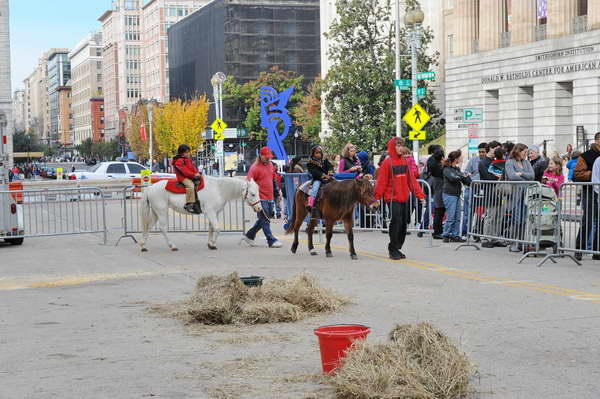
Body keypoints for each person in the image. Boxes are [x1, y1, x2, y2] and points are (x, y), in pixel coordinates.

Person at [374, 137, 425, 260]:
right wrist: (376, 198)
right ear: (392, 147)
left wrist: (420, 195)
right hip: (392, 199)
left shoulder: (405, 162)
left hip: (404, 198)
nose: (401, 148)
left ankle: (396, 247)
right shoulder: (387, 162)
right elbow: (381, 182)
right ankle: (392, 249)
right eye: (398, 145)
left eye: (402, 145)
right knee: (396, 222)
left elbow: (412, 181)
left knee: (403, 224)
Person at [241, 147, 283, 248]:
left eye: (270, 157)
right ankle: (271, 240)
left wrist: (277, 193)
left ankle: (249, 235)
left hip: (270, 197)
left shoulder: (271, 166)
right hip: (260, 198)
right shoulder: (254, 168)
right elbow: (249, 182)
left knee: (264, 219)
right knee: (265, 219)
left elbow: (273, 181)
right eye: (266, 157)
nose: (269, 159)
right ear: (261, 156)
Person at [573, 133, 600, 260]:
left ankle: (597, 251)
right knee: (588, 220)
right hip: (590, 191)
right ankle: (578, 249)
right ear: (597, 140)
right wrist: (594, 174)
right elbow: (577, 175)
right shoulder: (586, 156)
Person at [505, 143, 535, 251]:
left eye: (527, 152)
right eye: (525, 152)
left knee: (523, 220)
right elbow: (512, 176)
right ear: (518, 151)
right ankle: (513, 243)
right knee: (516, 219)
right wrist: (525, 177)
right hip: (515, 194)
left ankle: (521, 242)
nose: (526, 154)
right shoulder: (510, 162)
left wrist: (521, 174)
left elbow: (532, 175)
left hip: (526, 194)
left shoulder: (526, 162)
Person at [442, 151, 471, 243]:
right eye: (460, 157)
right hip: (449, 194)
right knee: (451, 216)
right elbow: (453, 178)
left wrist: (467, 177)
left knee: (458, 216)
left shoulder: (457, 169)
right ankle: (446, 234)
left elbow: (465, 181)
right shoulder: (447, 169)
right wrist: (462, 176)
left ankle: (455, 235)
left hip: (457, 194)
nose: (462, 158)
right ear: (456, 159)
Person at [461, 142, 488, 237]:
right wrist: (469, 178)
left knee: (482, 213)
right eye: (480, 152)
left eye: (483, 152)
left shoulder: (490, 161)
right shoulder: (473, 160)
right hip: (472, 188)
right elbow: (465, 172)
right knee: (468, 212)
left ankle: (478, 232)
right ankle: (465, 233)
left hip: (484, 189)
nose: (481, 153)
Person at [172, 144, 202, 214]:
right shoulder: (178, 161)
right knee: (190, 185)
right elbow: (184, 171)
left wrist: (197, 173)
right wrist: (194, 175)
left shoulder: (188, 160)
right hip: (183, 178)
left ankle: (198, 201)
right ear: (182, 153)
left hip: (190, 176)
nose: (189, 153)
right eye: (187, 152)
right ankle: (189, 204)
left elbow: (193, 168)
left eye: (189, 152)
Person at [306, 145, 334, 215]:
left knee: (336, 183)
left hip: (328, 178)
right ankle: (310, 203)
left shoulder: (325, 160)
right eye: (317, 153)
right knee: (315, 187)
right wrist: (324, 176)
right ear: (313, 153)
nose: (319, 154)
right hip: (318, 179)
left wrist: (330, 172)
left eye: (320, 153)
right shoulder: (310, 162)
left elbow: (330, 166)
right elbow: (314, 172)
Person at [426, 145, 445, 239]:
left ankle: (437, 231)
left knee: (438, 210)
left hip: (435, 187)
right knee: (439, 210)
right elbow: (441, 173)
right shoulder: (437, 165)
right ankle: (437, 232)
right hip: (438, 188)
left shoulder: (431, 160)